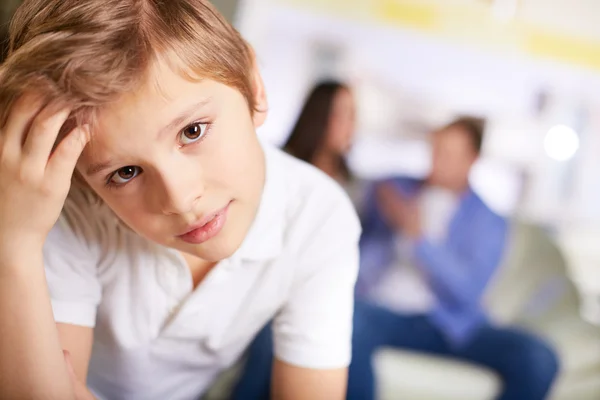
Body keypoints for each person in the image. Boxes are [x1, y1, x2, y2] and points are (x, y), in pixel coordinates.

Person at [0, 1, 361, 399]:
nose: (180, 198)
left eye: (192, 131)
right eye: (125, 173)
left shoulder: (319, 216)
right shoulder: (65, 209)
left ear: (253, 86)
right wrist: (15, 242)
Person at [349, 117, 560, 400]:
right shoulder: (395, 190)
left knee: (539, 357)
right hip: (384, 311)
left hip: (449, 325)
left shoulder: (488, 220)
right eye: (435, 151)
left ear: (472, 160)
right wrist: (386, 207)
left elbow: (467, 292)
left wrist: (419, 239)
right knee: (350, 318)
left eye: (449, 154)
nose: (437, 162)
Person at [231, 80, 357, 399]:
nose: (350, 126)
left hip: (328, 290)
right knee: (269, 333)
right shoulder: (278, 170)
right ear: (320, 116)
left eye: (353, 116)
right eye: (341, 115)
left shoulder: (357, 187)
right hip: (269, 284)